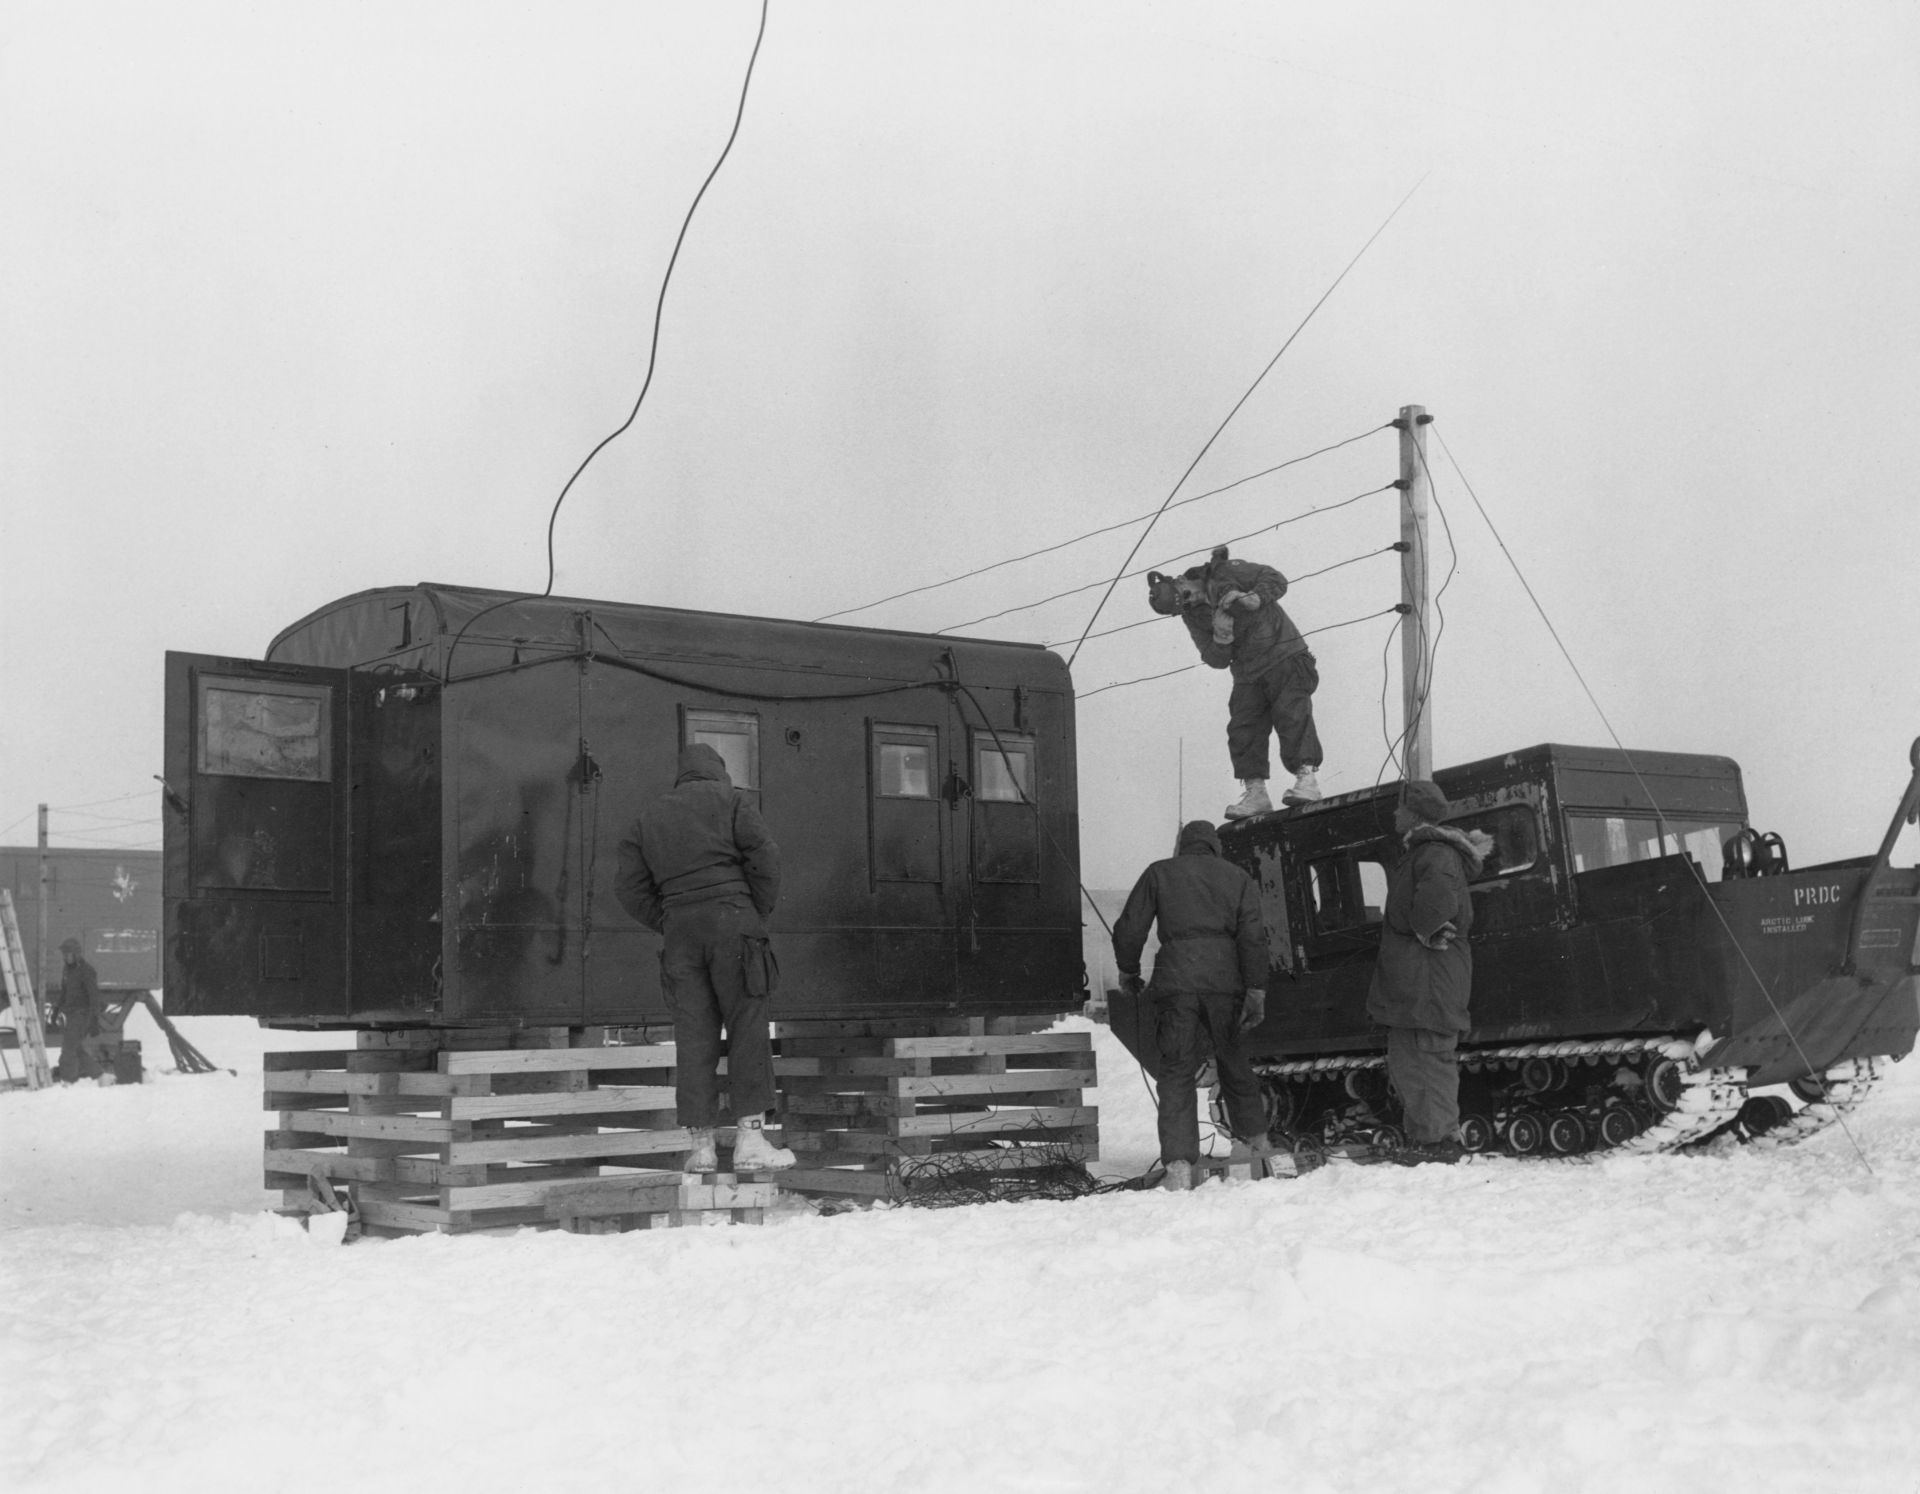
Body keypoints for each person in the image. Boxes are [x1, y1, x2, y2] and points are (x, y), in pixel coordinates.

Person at [614, 743, 794, 1172]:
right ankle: (751, 1141)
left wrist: (668, 919)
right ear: (718, 772)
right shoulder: (731, 801)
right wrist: (754, 912)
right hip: (734, 922)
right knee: (748, 1026)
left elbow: (628, 888)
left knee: (694, 1038)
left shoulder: (647, 818)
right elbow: (765, 856)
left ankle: (701, 1149)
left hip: (680, 933)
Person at [1112, 820, 1276, 1191]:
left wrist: (1128, 971)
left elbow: (1130, 928)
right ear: (1215, 846)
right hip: (1225, 985)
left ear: (1181, 845)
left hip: (1176, 985)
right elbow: (1253, 937)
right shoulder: (1238, 878)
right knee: (1235, 1065)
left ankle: (1179, 1166)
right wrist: (1256, 989)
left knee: (1176, 1072)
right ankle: (1254, 1149)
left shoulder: (1159, 873)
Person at [1365, 780, 1491, 1166]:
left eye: (1399, 808)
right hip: (1420, 977)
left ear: (1414, 813)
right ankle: (1428, 1137)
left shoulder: (1433, 853)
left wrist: (1427, 927)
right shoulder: (1427, 852)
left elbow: (1437, 900)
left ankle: (1438, 1142)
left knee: (1427, 1057)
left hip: (1428, 977)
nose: (1393, 814)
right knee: (1413, 1059)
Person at [1149, 544, 1324, 820]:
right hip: (1247, 672)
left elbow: (1275, 578)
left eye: (1187, 597)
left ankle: (1307, 780)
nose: (1191, 604)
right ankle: (1256, 794)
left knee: (1292, 714)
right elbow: (1213, 657)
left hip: (1283, 654)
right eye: (1184, 606)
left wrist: (1255, 597)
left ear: (1181, 581)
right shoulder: (1191, 615)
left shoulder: (1226, 572)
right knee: (1243, 728)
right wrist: (1221, 639)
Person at [53, 937, 105, 1083]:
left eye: (67, 953)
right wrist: (56, 1010)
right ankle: (99, 1075)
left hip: (82, 1015)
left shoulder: (87, 971)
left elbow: (94, 997)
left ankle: (68, 1081)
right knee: (76, 1048)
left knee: (68, 1049)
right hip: (71, 1015)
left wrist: (94, 1020)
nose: (65, 956)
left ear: (76, 954)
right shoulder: (67, 970)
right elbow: (64, 992)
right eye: (64, 953)